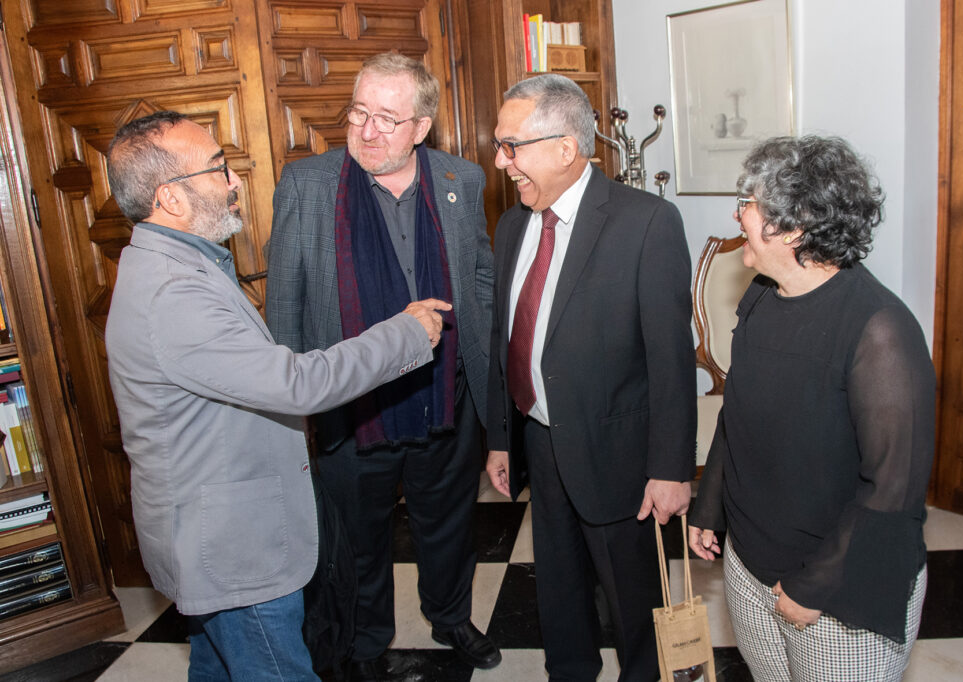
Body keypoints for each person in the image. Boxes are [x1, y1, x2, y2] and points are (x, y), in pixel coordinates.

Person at [104, 111, 450, 681]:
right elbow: (297, 384)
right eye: (218, 168)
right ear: (170, 197)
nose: (235, 181)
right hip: (235, 551)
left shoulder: (178, 261)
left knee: (217, 671)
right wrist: (406, 333)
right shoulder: (174, 292)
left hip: (216, 538)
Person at [264, 53, 498, 679]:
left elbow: (478, 274)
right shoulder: (307, 184)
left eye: (387, 120)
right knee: (359, 542)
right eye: (358, 113)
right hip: (350, 408)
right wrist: (290, 410)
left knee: (448, 526)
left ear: (422, 127)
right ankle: (366, 643)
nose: (368, 131)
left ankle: (451, 618)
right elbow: (284, 300)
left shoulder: (461, 179)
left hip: (445, 396)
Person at [688, 135, 935, 682]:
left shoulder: (881, 332)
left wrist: (816, 584)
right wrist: (710, 507)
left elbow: (892, 489)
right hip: (751, 563)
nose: (737, 214)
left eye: (747, 202)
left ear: (793, 226)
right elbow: (739, 416)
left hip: (837, 586)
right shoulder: (760, 294)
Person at [485, 74, 697, 681]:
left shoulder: (646, 223)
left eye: (511, 146)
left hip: (621, 457)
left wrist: (671, 468)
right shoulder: (512, 226)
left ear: (564, 147)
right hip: (541, 441)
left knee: (634, 605)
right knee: (557, 586)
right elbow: (510, 339)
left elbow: (671, 361)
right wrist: (502, 437)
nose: (502, 164)